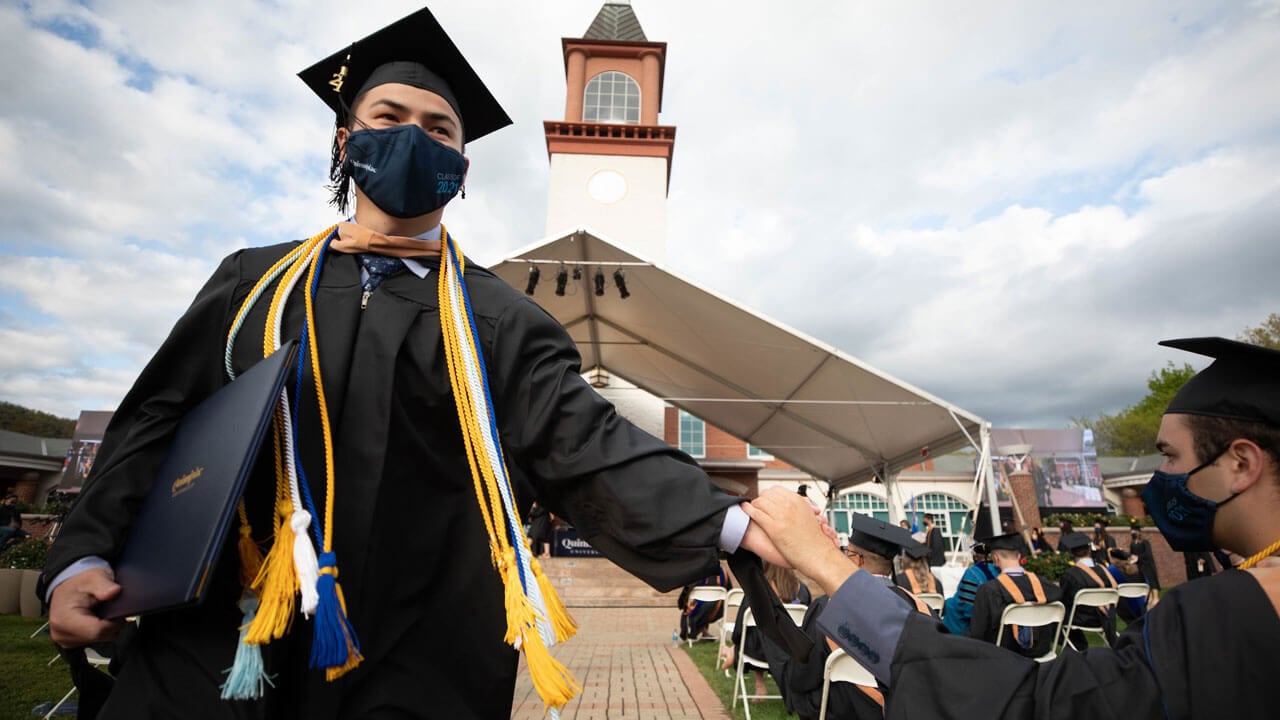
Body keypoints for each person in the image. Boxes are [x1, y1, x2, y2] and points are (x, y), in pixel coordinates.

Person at [38, 8, 786, 719]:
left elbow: (584, 444)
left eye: (439, 129)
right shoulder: (253, 285)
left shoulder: (500, 319)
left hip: (416, 651)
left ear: (460, 167)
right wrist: (79, 558)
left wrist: (735, 525)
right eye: (388, 120)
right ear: (344, 141)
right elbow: (154, 423)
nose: (413, 139)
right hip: (223, 639)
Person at [741, 336, 1280, 718]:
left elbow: (1029, 703)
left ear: (1240, 463)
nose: (1160, 477)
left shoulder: (1235, 616)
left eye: (1169, 455)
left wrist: (823, 563)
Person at [779, 513, 933, 720]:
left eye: (847, 553)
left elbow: (803, 676)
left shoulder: (827, 606)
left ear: (858, 560)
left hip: (843, 712)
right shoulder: (919, 607)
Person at [720, 561, 810, 701]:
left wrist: (737, 643)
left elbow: (739, 627)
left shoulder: (756, 588)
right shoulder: (802, 591)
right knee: (768, 634)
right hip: (792, 652)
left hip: (758, 654)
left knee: (757, 634)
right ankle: (733, 652)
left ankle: (738, 657)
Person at [965, 533, 1062, 658]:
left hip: (1005, 655)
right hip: (1042, 652)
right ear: (1019, 555)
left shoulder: (988, 590)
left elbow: (978, 633)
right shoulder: (1045, 585)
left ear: (995, 558)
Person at [1057, 532, 1117, 649]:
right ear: (1090, 550)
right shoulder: (1103, 570)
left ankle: (1078, 648)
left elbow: (1064, 599)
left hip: (1082, 620)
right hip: (1107, 617)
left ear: (1071, 552)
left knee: (1057, 615)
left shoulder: (1070, 575)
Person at [941, 540, 998, 635]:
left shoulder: (973, 573)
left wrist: (947, 603)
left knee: (949, 605)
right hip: (995, 622)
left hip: (974, 627)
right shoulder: (999, 571)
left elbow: (966, 607)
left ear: (976, 556)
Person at [678, 562, 732, 641]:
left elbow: (687, 590)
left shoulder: (697, 569)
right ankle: (704, 632)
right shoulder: (723, 571)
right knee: (708, 603)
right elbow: (729, 590)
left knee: (696, 605)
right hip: (718, 611)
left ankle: (700, 630)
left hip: (699, 612)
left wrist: (681, 604)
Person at [1105, 548, 1145, 622]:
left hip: (1126, 607)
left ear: (1114, 559)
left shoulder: (1111, 570)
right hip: (1143, 604)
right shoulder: (1138, 569)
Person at [1128, 527, 1161, 602]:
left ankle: (1155, 600)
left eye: (1134, 531)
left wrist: (1138, 557)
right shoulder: (1132, 543)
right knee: (1145, 586)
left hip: (1147, 566)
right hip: (1139, 567)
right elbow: (1132, 554)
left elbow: (1148, 554)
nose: (1132, 533)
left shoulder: (1144, 542)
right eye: (1131, 531)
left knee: (1152, 583)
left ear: (1138, 532)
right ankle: (1148, 601)